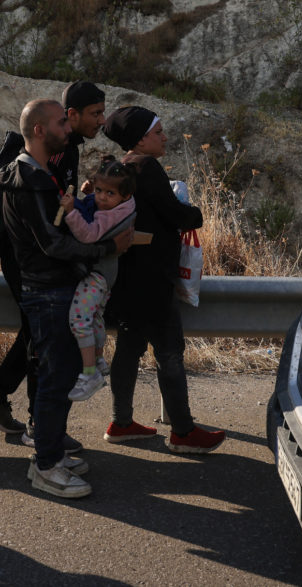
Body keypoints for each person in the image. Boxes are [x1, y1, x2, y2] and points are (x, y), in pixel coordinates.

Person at [0, 98, 132, 498]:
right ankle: (46, 466)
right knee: (56, 380)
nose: (67, 128)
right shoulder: (32, 179)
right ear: (39, 130)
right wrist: (109, 249)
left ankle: (50, 451)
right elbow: (54, 244)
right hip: (49, 290)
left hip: (52, 288)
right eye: (60, 123)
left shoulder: (34, 172)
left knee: (58, 376)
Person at [0, 81, 107, 448]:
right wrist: (95, 248)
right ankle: (38, 428)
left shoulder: (66, 150)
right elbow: (48, 220)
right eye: (94, 114)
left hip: (30, 252)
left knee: (35, 332)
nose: (101, 121)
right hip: (30, 256)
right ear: (70, 116)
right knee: (42, 337)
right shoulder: (57, 152)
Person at [103, 106, 226, 454]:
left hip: (126, 278)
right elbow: (175, 214)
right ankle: (183, 432)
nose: (165, 137)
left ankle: (121, 422)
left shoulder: (119, 167)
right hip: (152, 281)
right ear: (142, 138)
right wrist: (195, 212)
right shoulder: (147, 167)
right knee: (170, 351)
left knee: (129, 349)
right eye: (159, 132)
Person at [58, 156, 138, 401]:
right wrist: (90, 196)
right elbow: (98, 204)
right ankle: (100, 358)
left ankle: (90, 373)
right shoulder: (124, 205)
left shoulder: (109, 216)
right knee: (94, 318)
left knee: (79, 320)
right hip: (108, 275)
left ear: (124, 196)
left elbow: (88, 234)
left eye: (109, 194)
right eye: (100, 190)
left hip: (97, 275)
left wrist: (72, 211)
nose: (102, 198)